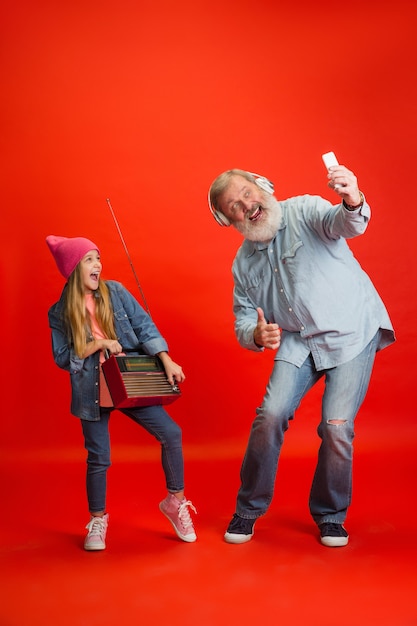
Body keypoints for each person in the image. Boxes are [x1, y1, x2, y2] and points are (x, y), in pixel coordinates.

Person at [207, 162, 395, 547]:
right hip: (298, 339)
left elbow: (345, 223)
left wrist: (352, 196)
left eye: (246, 194)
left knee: (336, 426)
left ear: (261, 185)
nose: (246, 206)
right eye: (234, 208)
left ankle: (330, 515)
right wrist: (256, 334)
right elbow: (243, 318)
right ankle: (247, 510)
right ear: (229, 221)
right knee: (269, 416)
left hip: (349, 330)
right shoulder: (242, 264)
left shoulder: (305, 210)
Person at [46, 235, 197, 551]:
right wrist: (98, 344)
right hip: (90, 389)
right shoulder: (59, 313)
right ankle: (97, 521)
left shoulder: (115, 292)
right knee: (99, 458)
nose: (98, 265)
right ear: (73, 268)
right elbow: (63, 358)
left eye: (98, 258)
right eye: (89, 259)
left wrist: (167, 360)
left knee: (171, 433)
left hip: (128, 380)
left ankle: (175, 501)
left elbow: (145, 327)